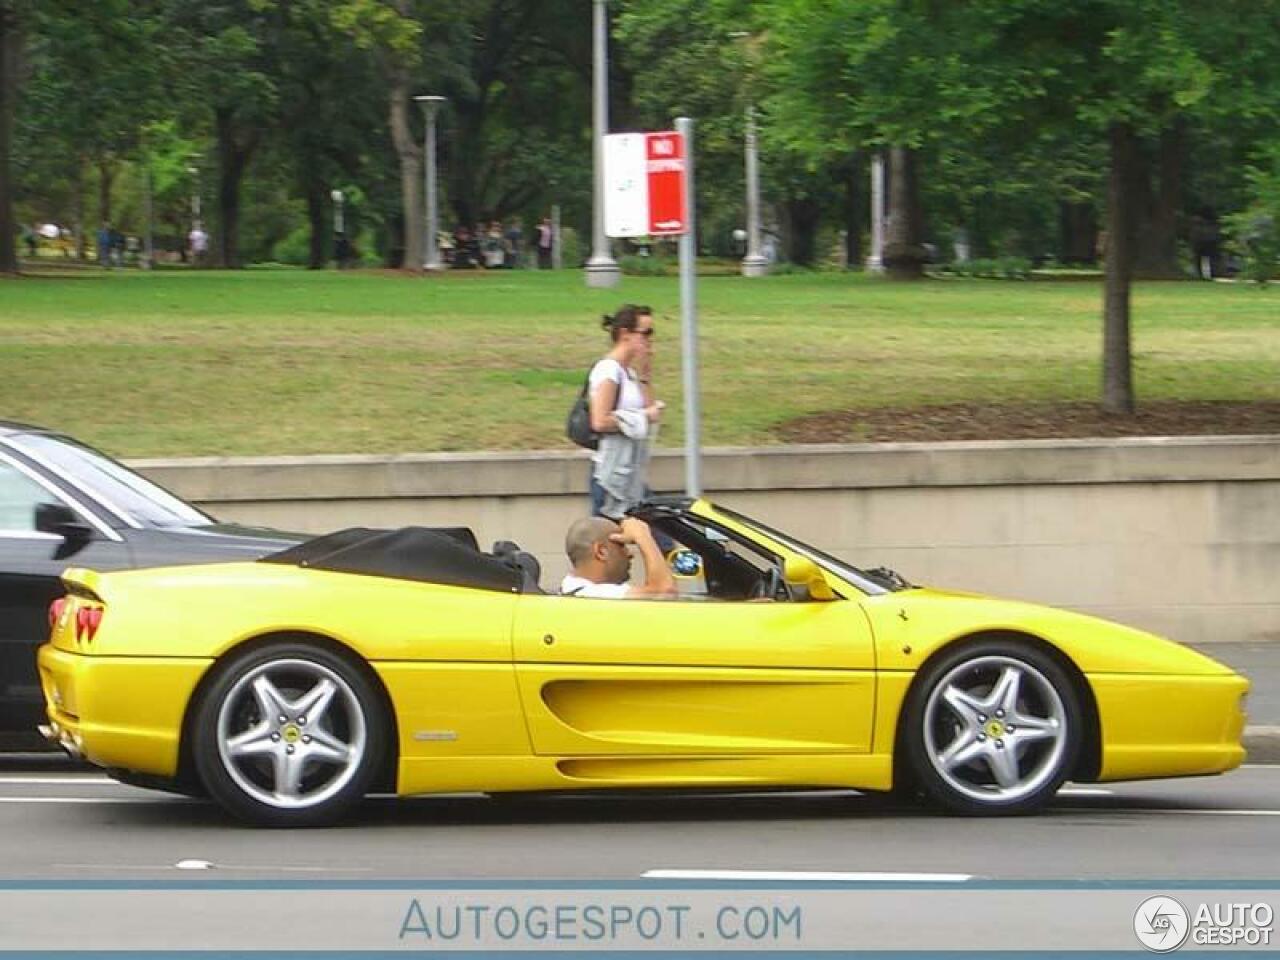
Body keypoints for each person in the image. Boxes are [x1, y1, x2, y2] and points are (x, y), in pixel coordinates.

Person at [588, 304, 663, 519]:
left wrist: (645, 374)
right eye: (646, 333)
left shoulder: (629, 372)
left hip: (630, 476)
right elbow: (600, 421)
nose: (650, 339)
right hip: (610, 477)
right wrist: (641, 417)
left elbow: (651, 415)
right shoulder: (608, 370)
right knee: (605, 544)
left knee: (658, 536)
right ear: (625, 334)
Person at [560, 516, 676, 599]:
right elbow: (664, 592)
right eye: (621, 545)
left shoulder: (570, 591)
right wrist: (642, 536)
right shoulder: (592, 596)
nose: (630, 554)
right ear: (601, 552)